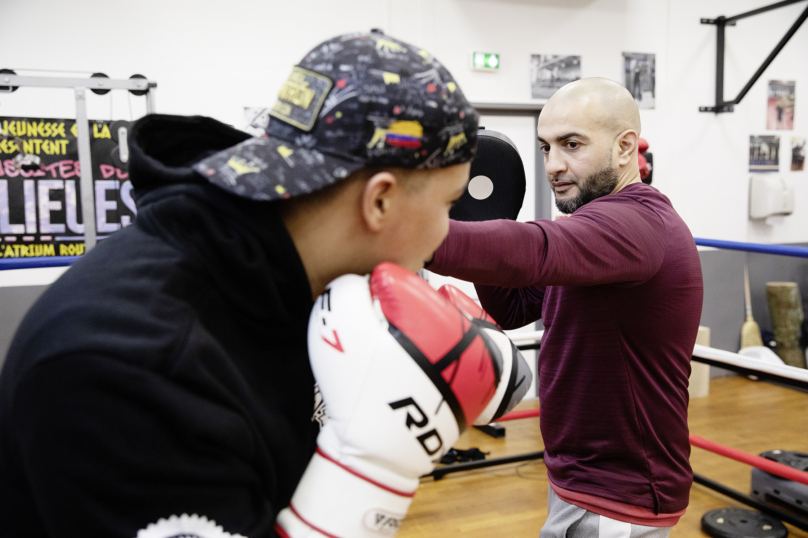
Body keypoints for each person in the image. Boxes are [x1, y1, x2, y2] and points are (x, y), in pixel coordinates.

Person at [0, 31, 481, 537]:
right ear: (379, 200)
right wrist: (373, 475)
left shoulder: (268, 284)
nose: (446, 232)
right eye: (450, 203)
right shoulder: (135, 368)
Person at [427, 77, 703, 538]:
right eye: (545, 148)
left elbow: (536, 249)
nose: (553, 165)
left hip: (620, 493)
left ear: (624, 147)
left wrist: (396, 228)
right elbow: (515, 306)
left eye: (571, 144)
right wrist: (480, 221)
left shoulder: (637, 224)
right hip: (579, 476)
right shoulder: (597, 230)